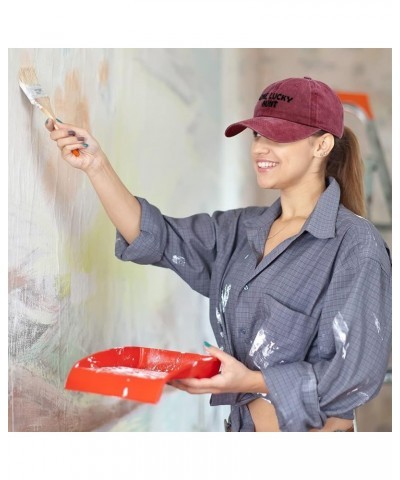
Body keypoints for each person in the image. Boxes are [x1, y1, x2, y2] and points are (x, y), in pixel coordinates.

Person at [45, 76, 392, 432]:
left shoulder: (354, 244)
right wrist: (95, 165)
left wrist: (249, 381)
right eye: (257, 135)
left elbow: (356, 375)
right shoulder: (239, 230)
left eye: (278, 136)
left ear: (321, 145)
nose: (259, 148)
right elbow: (157, 237)